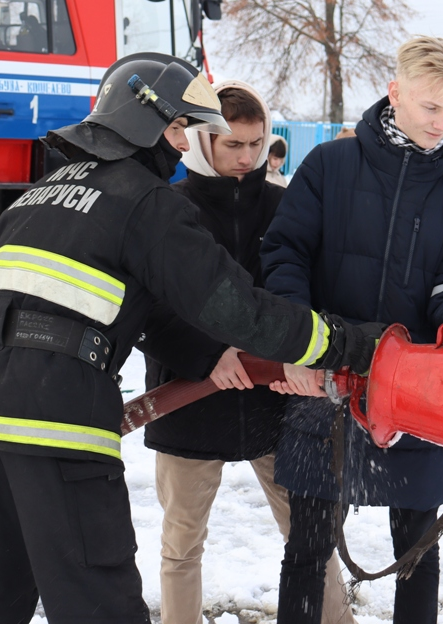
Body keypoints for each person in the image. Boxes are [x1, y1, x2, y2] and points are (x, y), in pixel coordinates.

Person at [0, 53, 380, 624]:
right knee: (97, 595)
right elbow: (239, 310)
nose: (183, 144)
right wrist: (345, 344)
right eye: (178, 126)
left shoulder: (39, 194)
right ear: (143, 119)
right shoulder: (146, 203)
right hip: (62, 410)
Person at [260, 36, 443, 624]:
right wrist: (295, 338)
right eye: (429, 107)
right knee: (308, 548)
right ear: (395, 94)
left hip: (416, 390)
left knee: (416, 551)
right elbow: (286, 253)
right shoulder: (330, 166)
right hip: (326, 384)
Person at [142, 81, 355, 624]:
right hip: (186, 395)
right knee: (181, 544)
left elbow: (305, 291)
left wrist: (293, 356)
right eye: (232, 144)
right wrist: (207, 353)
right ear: (199, 141)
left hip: (277, 398)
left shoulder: (284, 207)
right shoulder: (168, 208)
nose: (246, 157)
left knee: (310, 537)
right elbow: (147, 306)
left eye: (256, 144)